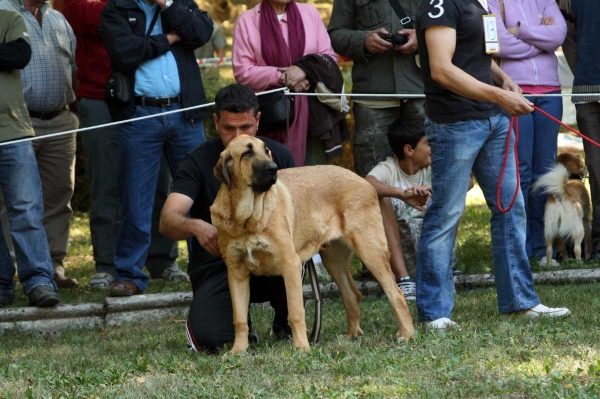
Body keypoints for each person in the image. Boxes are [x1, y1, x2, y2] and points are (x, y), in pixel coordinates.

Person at [414, 0, 570, 330]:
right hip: (455, 124)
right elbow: (441, 69)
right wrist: (500, 96)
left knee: (511, 208)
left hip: (493, 121)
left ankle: (520, 303)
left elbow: (476, 57)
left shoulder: (478, 3)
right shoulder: (440, 5)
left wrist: (502, 79)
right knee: (445, 214)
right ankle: (435, 313)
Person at [160, 84, 293, 353]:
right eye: (228, 128)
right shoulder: (197, 162)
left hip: (271, 257)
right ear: (215, 122)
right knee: (209, 340)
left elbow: (298, 207)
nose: (237, 136)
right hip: (218, 265)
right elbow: (167, 219)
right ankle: (240, 327)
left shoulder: (276, 156)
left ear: (258, 120)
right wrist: (195, 226)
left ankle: (285, 321)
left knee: (294, 256)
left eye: (245, 127)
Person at [63, 0, 187, 289]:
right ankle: (107, 264)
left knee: (158, 184)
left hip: (143, 98)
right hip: (99, 97)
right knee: (106, 184)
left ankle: (162, 259)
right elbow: (88, 16)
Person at [99, 0, 213, 296]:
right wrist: (171, 38)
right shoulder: (117, 10)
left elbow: (201, 33)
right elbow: (124, 54)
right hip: (139, 116)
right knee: (136, 199)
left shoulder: (181, 6)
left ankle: (209, 270)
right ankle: (130, 274)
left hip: (184, 113)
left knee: (200, 195)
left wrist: (169, 5)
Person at [0, 0, 79, 289]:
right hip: (17, 122)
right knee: (15, 201)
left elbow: (73, 68)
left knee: (60, 195)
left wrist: (72, 112)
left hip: (60, 119)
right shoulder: (3, 11)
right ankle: (11, 268)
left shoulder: (59, 18)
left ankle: (53, 266)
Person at [488, 0, 567, 266]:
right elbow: (498, 42)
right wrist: (540, 40)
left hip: (550, 94)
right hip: (512, 93)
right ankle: (515, 248)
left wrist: (518, 29)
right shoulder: (491, 1)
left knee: (544, 173)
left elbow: (559, 34)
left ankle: (540, 249)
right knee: (518, 170)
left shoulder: (545, 0)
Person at [0, 9, 60, 308]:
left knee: (25, 209)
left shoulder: (9, 18)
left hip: (12, 131)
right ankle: (1, 286)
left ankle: (38, 281)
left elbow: (18, 54)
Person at [232, 0, 337, 166]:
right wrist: (283, 77)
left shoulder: (310, 13)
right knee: (274, 178)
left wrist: (304, 72)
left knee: (312, 179)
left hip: (313, 114)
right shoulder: (247, 20)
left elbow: (329, 59)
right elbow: (242, 71)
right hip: (271, 116)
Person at [328, 0, 424, 178]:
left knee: (430, 174)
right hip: (372, 96)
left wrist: (423, 38)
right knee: (372, 176)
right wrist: (363, 40)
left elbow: (457, 25)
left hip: (423, 92)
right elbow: (335, 34)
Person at [365, 117, 431, 301]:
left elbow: (467, 182)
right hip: (398, 253)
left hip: (429, 251)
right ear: (409, 150)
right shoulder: (389, 168)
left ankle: (441, 271)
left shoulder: (434, 165)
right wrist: (401, 193)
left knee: (450, 195)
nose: (433, 147)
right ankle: (404, 279)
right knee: (381, 196)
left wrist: (434, 189)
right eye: (428, 143)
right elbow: (367, 184)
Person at [566, 0, 600, 261]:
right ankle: (597, 245)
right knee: (597, 172)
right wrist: (584, 72)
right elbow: (567, 36)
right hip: (588, 93)